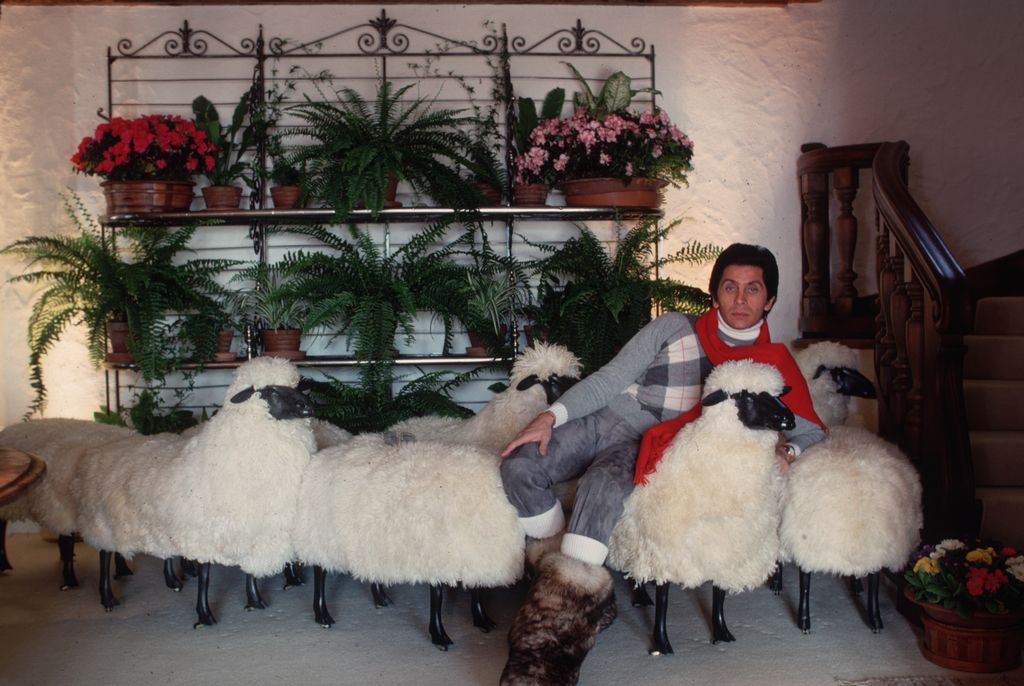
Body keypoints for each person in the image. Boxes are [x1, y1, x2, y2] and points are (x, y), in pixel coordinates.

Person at [499, 243, 826, 569]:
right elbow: (610, 379)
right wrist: (549, 417)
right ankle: (548, 546)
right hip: (607, 418)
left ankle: (571, 595)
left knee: (599, 488)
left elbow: (813, 431)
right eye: (730, 288)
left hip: (649, 443)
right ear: (714, 295)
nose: (740, 300)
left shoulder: (769, 368)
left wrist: (788, 452)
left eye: (752, 289)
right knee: (519, 464)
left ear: (769, 300)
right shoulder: (674, 326)